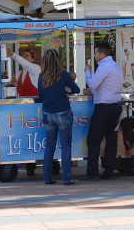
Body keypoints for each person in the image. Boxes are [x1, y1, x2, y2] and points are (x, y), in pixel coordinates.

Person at [38, 49, 80, 185]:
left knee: (49, 146)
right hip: (62, 112)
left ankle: (47, 177)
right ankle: (66, 178)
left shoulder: (42, 76)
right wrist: (66, 90)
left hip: (47, 114)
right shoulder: (62, 74)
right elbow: (76, 89)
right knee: (65, 146)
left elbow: (41, 96)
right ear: (58, 61)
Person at [84, 42, 123, 180]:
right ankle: (109, 171)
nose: (94, 56)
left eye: (95, 53)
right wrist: (93, 90)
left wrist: (87, 72)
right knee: (111, 139)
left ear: (102, 54)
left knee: (93, 140)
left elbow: (93, 83)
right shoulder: (116, 66)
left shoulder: (104, 66)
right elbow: (104, 86)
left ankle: (92, 172)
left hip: (104, 107)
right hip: (115, 105)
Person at [8, 47, 43, 176]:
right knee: (27, 138)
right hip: (23, 110)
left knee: (39, 136)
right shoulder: (18, 74)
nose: (24, 58)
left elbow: (26, 64)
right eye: (24, 56)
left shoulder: (36, 69)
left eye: (27, 56)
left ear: (33, 59)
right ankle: (30, 166)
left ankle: (53, 164)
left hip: (36, 107)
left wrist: (14, 55)